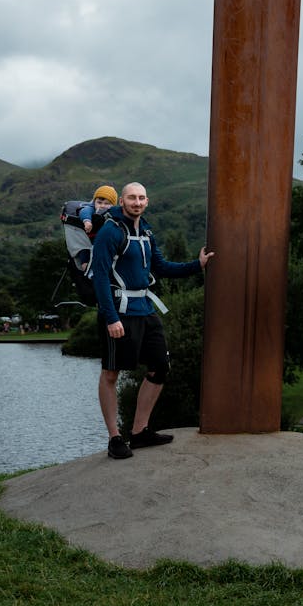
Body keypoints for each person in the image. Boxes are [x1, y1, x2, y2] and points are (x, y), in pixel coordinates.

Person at [89, 181, 213, 459]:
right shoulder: (110, 231)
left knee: (160, 367)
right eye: (132, 198)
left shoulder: (145, 230)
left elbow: (161, 266)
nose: (137, 202)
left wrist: (198, 265)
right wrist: (110, 318)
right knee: (111, 374)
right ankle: (114, 438)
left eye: (142, 198)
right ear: (122, 201)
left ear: (147, 201)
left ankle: (140, 432)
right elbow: (99, 276)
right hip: (118, 312)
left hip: (145, 308)